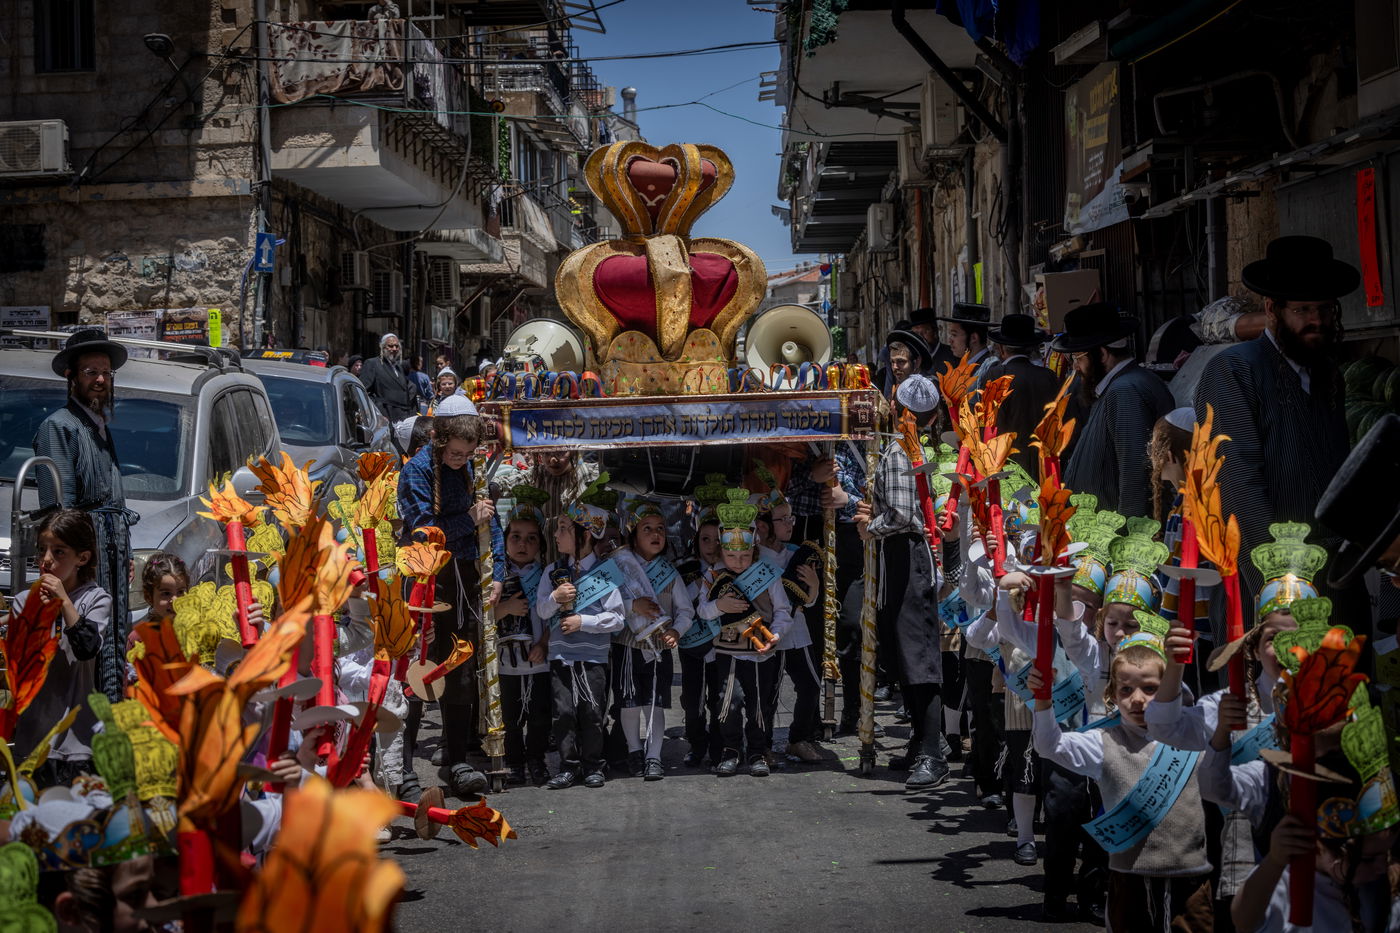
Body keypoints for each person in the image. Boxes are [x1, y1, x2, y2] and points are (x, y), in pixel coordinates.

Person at [1194, 236, 1357, 603]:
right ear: (1272, 309)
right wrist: (1278, 584)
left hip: (1331, 570)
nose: (1317, 320)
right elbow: (1238, 485)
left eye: (1325, 309)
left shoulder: (1329, 373)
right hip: (1272, 577)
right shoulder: (1234, 370)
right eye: (1302, 310)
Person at [1030, 633, 1213, 932]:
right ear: (1112, 695)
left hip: (1190, 876)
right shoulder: (1103, 742)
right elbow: (1050, 746)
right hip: (1129, 877)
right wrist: (1043, 699)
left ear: (1171, 690)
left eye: (1151, 689)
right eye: (1126, 689)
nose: (1137, 699)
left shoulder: (1192, 733)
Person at [395, 394, 493, 799]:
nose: (461, 459)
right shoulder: (416, 472)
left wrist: (497, 572)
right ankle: (402, 771)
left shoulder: (473, 469)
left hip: (464, 579)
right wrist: (468, 520)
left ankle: (457, 761)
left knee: (461, 669)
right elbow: (422, 530)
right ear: (438, 440)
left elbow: (492, 521)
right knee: (419, 672)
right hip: (424, 582)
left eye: (468, 453)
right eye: (455, 452)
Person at [855, 374, 948, 790]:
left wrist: (868, 525)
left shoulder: (897, 450)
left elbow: (901, 514)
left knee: (918, 654)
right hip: (901, 557)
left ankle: (933, 751)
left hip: (907, 555)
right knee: (904, 650)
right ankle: (920, 743)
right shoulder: (908, 445)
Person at [34, 328, 137, 702]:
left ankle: (106, 726)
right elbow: (58, 514)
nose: (99, 380)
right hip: (84, 567)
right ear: (71, 376)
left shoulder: (99, 425)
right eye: (91, 371)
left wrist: (121, 552)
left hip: (108, 556)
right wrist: (78, 565)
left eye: (106, 373)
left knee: (113, 643)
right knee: (88, 648)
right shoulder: (58, 427)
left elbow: (113, 498)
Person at [11, 509, 112, 783]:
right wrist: (36, 613)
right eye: (42, 550)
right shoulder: (24, 601)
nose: (46, 560)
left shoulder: (96, 599)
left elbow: (86, 648)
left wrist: (64, 602)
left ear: (82, 558)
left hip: (75, 745)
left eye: (59, 552)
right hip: (32, 739)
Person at [538, 479, 625, 790]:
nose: (558, 534)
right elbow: (542, 611)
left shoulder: (605, 573)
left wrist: (582, 622)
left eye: (564, 528)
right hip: (561, 654)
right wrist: (555, 599)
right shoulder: (552, 573)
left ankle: (593, 765)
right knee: (562, 713)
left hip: (592, 655)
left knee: (591, 711)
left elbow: (617, 617)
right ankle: (567, 766)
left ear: (584, 535)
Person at [698, 489, 788, 777]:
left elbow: (784, 611)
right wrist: (719, 605)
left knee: (760, 703)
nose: (738, 561)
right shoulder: (713, 576)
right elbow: (702, 611)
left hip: (761, 651)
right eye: (732, 555)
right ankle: (731, 749)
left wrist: (776, 634)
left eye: (744, 555)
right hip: (728, 650)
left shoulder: (767, 574)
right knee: (729, 701)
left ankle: (758, 751)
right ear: (723, 551)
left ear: (754, 550)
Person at [1057, 303, 1173, 516]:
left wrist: (1130, 538)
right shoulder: (1117, 386)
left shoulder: (1125, 390)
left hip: (1115, 536)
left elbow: (1134, 472)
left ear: (1101, 354)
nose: (1075, 367)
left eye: (1078, 358)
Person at [613, 499, 695, 781]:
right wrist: (632, 606)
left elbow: (685, 611)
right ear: (633, 535)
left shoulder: (669, 574)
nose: (655, 534)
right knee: (629, 701)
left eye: (660, 528)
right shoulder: (620, 567)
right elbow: (606, 604)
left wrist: (676, 632)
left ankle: (653, 756)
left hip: (659, 648)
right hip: (627, 645)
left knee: (655, 702)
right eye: (647, 528)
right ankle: (634, 751)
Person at [753, 486, 823, 764]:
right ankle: (763, 744)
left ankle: (798, 739)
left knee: (810, 683)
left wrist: (815, 585)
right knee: (768, 689)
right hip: (767, 630)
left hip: (797, 629)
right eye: (783, 519)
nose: (790, 524)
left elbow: (808, 600)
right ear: (763, 525)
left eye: (791, 518)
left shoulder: (797, 553)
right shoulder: (752, 557)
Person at [491, 485, 553, 787]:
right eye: (515, 537)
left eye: (530, 538)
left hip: (539, 658)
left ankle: (536, 759)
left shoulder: (547, 575)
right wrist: (507, 607)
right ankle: (514, 762)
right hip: (506, 662)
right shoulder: (495, 577)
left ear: (540, 544)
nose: (522, 544)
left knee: (540, 715)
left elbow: (557, 616)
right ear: (504, 541)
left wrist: (544, 643)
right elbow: (484, 618)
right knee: (511, 718)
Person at [980, 313, 1061, 480]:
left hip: (1007, 467)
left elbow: (986, 425)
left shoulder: (996, 375)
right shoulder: (1049, 376)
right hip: (1045, 466)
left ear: (1001, 349)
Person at [358, 333, 420, 424]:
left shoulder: (398, 367)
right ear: (383, 347)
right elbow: (363, 392)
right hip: (386, 417)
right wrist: (378, 413)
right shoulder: (373, 363)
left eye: (396, 346)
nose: (394, 349)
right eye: (390, 346)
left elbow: (408, 388)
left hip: (404, 418)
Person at [939, 302, 995, 383]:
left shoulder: (989, 369)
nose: (950, 340)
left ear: (973, 338)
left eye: (954, 335)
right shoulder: (965, 366)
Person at [882, 326, 934, 400]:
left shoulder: (929, 391)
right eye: (892, 362)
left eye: (901, 361)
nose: (895, 367)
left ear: (917, 362)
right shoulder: (899, 387)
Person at [907, 306, 959, 377]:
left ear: (935, 332)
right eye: (916, 334)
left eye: (925, 332)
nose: (921, 338)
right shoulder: (911, 360)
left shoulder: (953, 356)